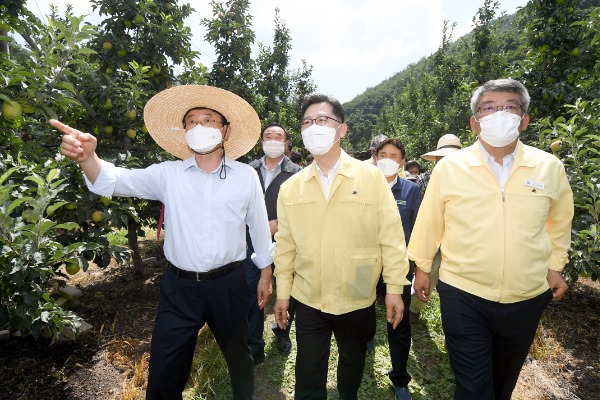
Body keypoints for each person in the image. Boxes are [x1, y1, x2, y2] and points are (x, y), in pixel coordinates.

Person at [51, 85, 274, 400]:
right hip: (180, 289)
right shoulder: (169, 174)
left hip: (230, 284)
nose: (199, 126)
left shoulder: (244, 176)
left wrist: (265, 270)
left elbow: (259, 224)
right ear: (184, 132)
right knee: (164, 372)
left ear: (225, 130)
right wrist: (89, 158)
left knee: (239, 357)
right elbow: (112, 180)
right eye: (191, 121)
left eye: (208, 119)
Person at [408, 78, 574, 400]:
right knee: (473, 387)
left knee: (503, 382)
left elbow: (559, 222)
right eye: (488, 108)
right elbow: (430, 221)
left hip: (527, 294)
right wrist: (423, 268)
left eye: (509, 107)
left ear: (524, 120)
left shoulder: (548, 167)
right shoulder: (450, 168)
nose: (499, 114)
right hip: (463, 291)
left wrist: (555, 266)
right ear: (475, 122)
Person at [272, 93, 410, 400]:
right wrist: (283, 293)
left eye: (322, 120)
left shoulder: (371, 177)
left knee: (352, 363)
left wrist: (394, 289)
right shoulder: (291, 187)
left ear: (341, 130)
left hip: (356, 295)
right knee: (307, 373)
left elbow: (391, 237)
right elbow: (285, 245)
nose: (313, 127)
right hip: (309, 298)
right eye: (307, 122)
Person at [244, 123, 301, 364]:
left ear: (286, 143)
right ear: (261, 141)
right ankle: (254, 342)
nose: (273, 140)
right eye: (268, 136)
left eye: (279, 137)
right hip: (251, 243)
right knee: (253, 291)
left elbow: (302, 208)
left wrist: (279, 222)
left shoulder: (297, 173)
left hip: (286, 241)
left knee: (288, 291)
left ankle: (282, 331)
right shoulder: (247, 171)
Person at [371, 138, 422, 400]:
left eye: (394, 155)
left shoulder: (411, 191)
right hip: (366, 265)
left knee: (398, 323)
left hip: (398, 267)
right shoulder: (363, 186)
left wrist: (416, 267)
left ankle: (400, 378)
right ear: (375, 157)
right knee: (363, 311)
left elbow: (416, 231)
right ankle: (367, 341)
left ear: (402, 162)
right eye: (383, 154)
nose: (388, 159)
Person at [409, 133, 462, 323]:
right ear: (437, 159)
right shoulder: (426, 179)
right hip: (433, 238)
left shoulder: (469, 177)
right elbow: (423, 213)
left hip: (459, 239)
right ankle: (414, 309)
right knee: (428, 275)